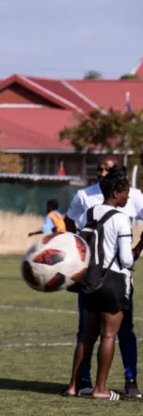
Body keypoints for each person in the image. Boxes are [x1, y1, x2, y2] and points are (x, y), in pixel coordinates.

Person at [64, 155, 143, 397]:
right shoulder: (120, 218)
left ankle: (74, 386)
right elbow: (127, 260)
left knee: (87, 335)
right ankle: (100, 388)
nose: (128, 197)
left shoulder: (90, 212)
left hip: (89, 278)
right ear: (118, 191)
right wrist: (139, 247)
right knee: (110, 334)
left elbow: (77, 232)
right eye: (125, 193)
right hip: (114, 281)